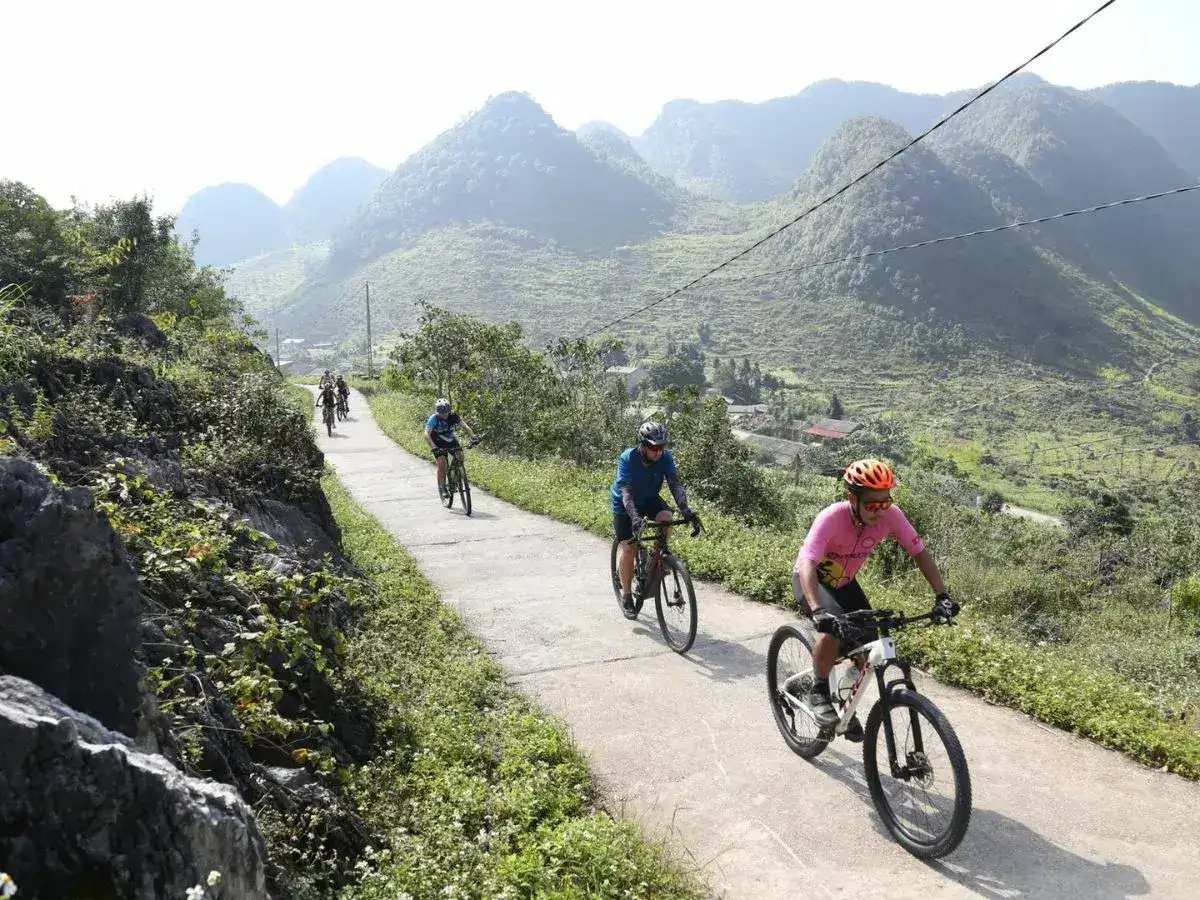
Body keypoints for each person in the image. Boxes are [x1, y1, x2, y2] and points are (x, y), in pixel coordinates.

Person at [791, 458, 958, 736]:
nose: (879, 511)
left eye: (885, 502)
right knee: (832, 630)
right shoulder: (832, 517)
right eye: (871, 504)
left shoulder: (892, 515)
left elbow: (919, 554)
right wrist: (818, 609)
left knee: (870, 646)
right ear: (852, 498)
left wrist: (942, 595)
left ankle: (845, 700)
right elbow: (808, 563)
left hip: (844, 582)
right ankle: (819, 690)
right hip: (812, 580)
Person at [609, 421, 701, 616]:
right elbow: (626, 491)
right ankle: (626, 595)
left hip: (650, 499)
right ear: (643, 445)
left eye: (662, 447)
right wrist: (634, 518)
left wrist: (687, 511)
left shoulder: (665, 458)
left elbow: (675, 484)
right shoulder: (628, 458)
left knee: (667, 518)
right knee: (629, 547)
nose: (658, 452)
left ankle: (654, 560)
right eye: (653, 447)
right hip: (625, 504)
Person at [425, 398, 477, 498]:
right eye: (441, 413)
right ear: (437, 412)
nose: (444, 415)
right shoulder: (434, 418)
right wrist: (433, 446)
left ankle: (455, 475)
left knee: (460, 455)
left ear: (449, 410)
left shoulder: (453, 416)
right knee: (442, 463)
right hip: (437, 442)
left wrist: (474, 437)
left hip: (450, 440)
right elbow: (426, 433)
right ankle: (443, 487)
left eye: (446, 412)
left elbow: (465, 426)